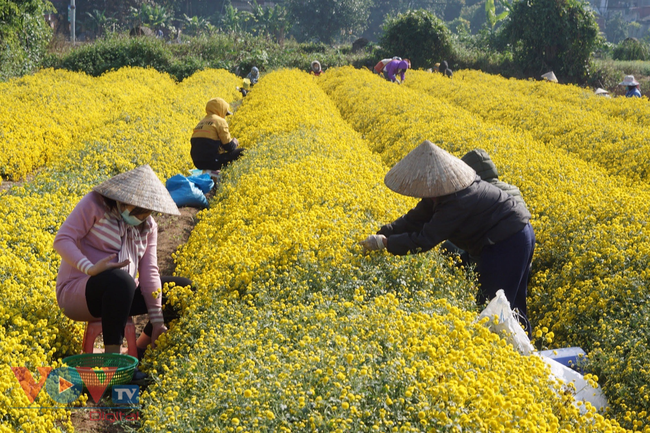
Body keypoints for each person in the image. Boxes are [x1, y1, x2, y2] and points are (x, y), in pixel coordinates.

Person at [360, 140, 535, 335]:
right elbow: (413, 220)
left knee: (494, 306)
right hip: (513, 234)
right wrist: (382, 232)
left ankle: (513, 355)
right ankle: (522, 351)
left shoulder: (459, 200)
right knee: (507, 305)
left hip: (508, 241)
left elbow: (425, 239)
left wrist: (386, 244)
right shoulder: (440, 194)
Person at [53, 165, 193, 360]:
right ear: (124, 200)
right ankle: (114, 362)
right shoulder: (95, 204)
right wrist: (91, 268)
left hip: (121, 293)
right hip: (80, 291)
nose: (142, 217)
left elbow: (149, 272)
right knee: (121, 281)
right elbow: (62, 239)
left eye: (147, 212)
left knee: (182, 289)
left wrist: (157, 320)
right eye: (139, 210)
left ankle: (141, 348)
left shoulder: (148, 226)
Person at [441, 148, 528, 267]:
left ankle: (457, 282)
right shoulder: (513, 189)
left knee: (447, 247)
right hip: (524, 260)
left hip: (491, 261)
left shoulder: (476, 196)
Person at [191, 97, 244, 171]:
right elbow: (229, 147)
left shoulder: (201, 122)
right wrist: (234, 142)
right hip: (212, 161)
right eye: (225, 113)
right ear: (221, 110)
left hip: (197, 162)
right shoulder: (220, 121)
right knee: (243, 152)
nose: (225, 117)